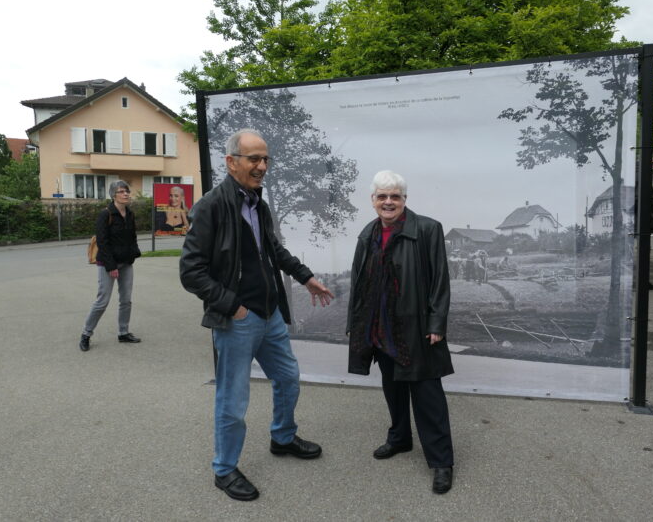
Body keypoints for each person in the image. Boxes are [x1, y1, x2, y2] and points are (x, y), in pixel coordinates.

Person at [180, 128, 334, 502]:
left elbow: (273, 250)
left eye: (265, 159)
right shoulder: (211, 207)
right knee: (233, 401)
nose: (262, 166)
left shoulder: (257, 203)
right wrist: (233, 306)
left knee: (288, 378)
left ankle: (282, 437)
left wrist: (305, 277)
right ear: (231, 162)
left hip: (269, 314)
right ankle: (224, 469)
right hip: (238, 320)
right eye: (254, 159)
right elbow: (190, 272)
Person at [346, 170, 455, 494]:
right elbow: (358, 282)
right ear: (373, 200)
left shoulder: (427, 229)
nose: (388, 202)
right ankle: (400, 438)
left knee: (427, 397)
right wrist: (356, 324)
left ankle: (441, 462)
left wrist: (436, 323)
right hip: (380, 327)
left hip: (416, 328)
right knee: (392, 388)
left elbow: (440, 280)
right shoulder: (367, 234)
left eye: (395, 196)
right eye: (382, 196)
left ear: (404, 200)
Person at [80, 181, 142, 351]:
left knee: (126, 300)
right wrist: (111, 266)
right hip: (107, 264)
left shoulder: (129, 214)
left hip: (126, 263)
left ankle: (123, 332)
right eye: (121, 191)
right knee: (102, 301)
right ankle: (86, 334)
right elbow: (102, 242)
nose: (126, 194)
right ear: (114, 195)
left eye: (127, 191)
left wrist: (134, 253)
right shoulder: (105, 214)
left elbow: (132, 236)